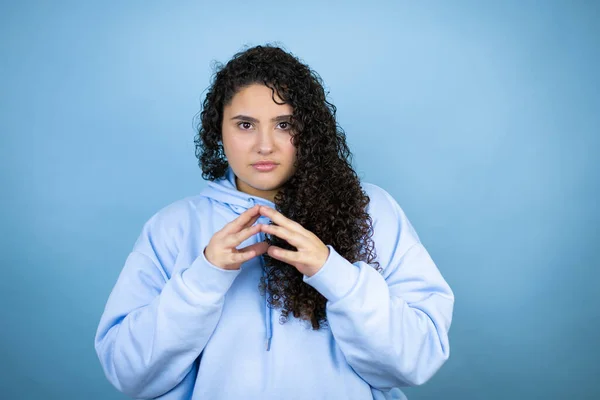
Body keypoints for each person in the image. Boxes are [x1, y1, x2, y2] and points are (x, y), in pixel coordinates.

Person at [94, 44, 454, 400]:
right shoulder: (172, 227)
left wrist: (333, 272)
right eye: (245, 125)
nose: (264, 145)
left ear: (309, 131)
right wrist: (203, 277)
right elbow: (129, 374)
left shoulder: (372, 210)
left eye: (284, 124)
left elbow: (416, 361)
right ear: (219, 131)